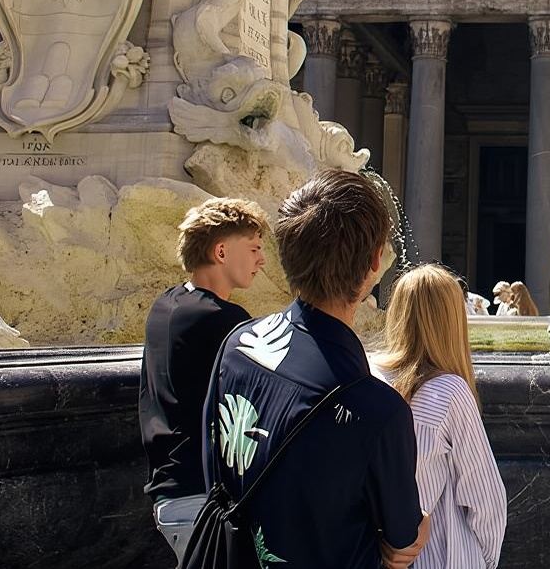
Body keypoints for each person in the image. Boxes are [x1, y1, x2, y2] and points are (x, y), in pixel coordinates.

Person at [205, 169, 429, 568]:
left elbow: (218, 477)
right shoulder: (378, 409)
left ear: (286, 254)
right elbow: (403, 539)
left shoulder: (237, 344)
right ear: (374, 263)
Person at [138, 197, 268, 562]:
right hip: (205, 502)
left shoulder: (166, 304)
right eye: (255, 248)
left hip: (171, 495)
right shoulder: (224, 321)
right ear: (222, 251)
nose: (262, 260)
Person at [371, 264, 507, 569]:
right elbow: (485, 499)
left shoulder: (367, 372)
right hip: (436, 557)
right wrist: (481, 560)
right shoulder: (448, 391)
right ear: (453, 321)